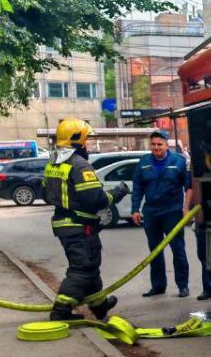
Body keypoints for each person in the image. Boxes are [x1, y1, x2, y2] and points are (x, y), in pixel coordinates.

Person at [42, 119, 126, 321]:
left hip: (65, 224)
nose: (87, 143)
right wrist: (117, 193)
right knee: (82, 269)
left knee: (90, 267)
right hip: (80, 227)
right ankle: (60, 311)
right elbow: (96, 200)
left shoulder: (54, 162)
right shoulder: (79, 165)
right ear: (77, 139)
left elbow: (46, 195)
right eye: (86, 139)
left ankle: (99, 306)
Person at [131, 130, 191, 297]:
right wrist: (135, 209)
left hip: (172, 212)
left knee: (178, 250)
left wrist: (187, 208)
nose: (156, 147)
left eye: (159, 144)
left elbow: (189, 186)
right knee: (155, 250)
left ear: (166, 145)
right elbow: (137, 187)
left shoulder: (178, 161)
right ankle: (158, 286)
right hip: (151, 212)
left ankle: (183, 286)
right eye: (153, 144)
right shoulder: (144, 162)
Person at [185, 182, 211, 300]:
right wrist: (187, 209)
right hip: (202, 214)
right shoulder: (195, 166)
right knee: (204, 255)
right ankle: (209, 288)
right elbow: (190, 187)